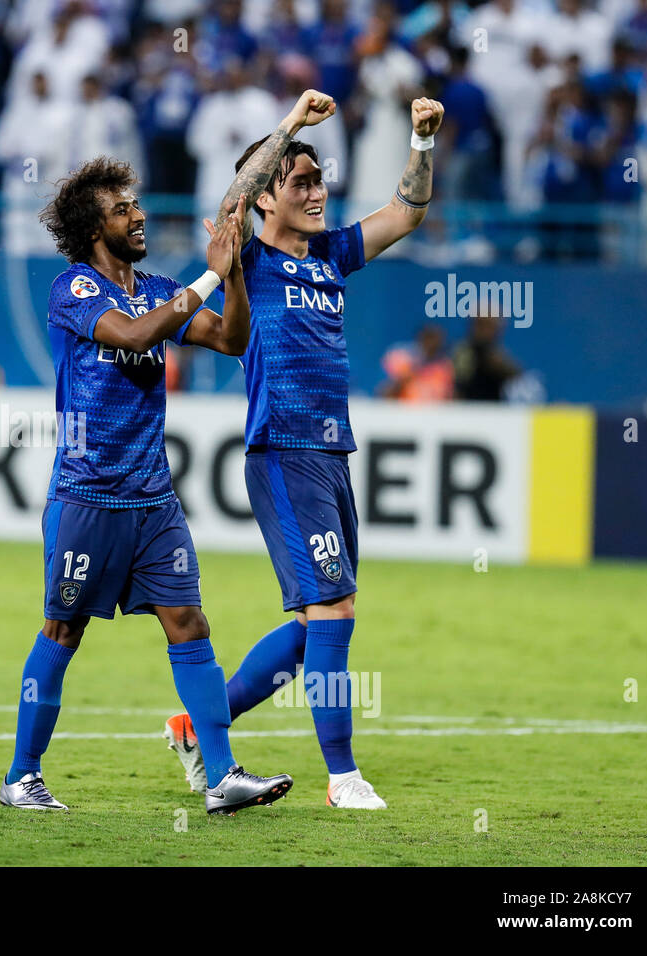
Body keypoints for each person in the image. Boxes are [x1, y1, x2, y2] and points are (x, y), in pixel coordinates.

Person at [165, 89, 445, 810]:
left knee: (319, 615)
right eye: (300, 183)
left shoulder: (330, 255)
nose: (317, 193)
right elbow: (228, 206)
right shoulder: (247, 259)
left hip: (332, 453)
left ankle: (197, 726)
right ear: (267, 199)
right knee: (334, 614)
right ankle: (343, 777)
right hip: (283, 450)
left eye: (320, 180)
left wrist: (421, 141)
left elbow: (406, 213)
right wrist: (288, 125)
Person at [0, 156, 294, 815]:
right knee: (63, 630)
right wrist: (210, 274)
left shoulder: (159, 285)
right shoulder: (73, 290)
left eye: (135, 204)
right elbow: (133, 334)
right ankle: (21, 776)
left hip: (153, 500)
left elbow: (231, 338)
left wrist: (236, 275)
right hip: (86, 494)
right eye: (121, 209)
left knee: (189, 622)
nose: (138, 215)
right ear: (93, 228)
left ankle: (221, 777)